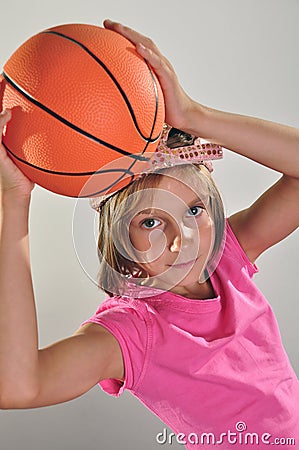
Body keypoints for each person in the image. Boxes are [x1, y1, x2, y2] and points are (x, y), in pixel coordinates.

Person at [0, 19, 298, 449]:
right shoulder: (131, 333)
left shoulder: (228, 257)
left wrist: (196, 116)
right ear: (118, 241)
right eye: (151, 222)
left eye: (195, 210)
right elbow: (18, 386)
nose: (185, 241)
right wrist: (13, 201)